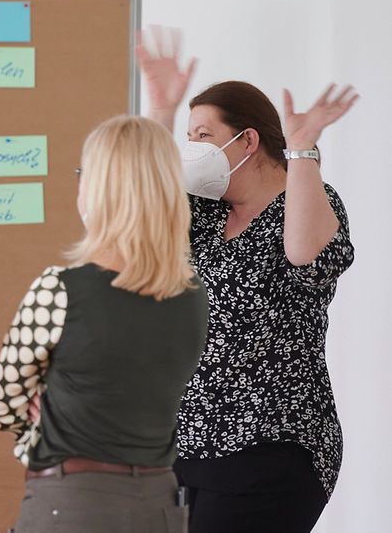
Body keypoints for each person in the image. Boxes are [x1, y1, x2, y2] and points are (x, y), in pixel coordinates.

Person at [139, 28, 357, 533]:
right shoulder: (206, 214)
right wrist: (162, 110)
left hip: (272, 442)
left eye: (202, 135)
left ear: (248, 140)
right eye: (188, 136)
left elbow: (304, 251)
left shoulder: (309, 203)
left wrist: (303, 148)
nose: (190, 147)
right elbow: (141, 215)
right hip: (187, 444)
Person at [0, 115, 208, 533]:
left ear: (101, 189)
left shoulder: (60, 289)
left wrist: (50, 414)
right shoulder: (192, 296)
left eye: (83, 173)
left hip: (72, 506)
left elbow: (1, 406)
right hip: (159, 505)